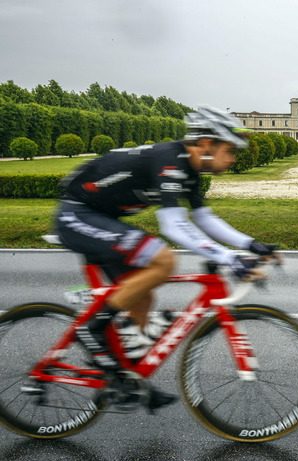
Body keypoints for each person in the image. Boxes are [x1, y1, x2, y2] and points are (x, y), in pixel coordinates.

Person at [55, 106, 279, 411]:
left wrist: (252, 245)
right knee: (163, 261)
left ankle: (125, 378)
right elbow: (173, 225)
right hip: (78, 215)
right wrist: (231, 259)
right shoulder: (170, 161)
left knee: (142, 298)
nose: (234, 157)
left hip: (102, 218)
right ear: (206, 144)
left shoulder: (191, 170)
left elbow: (204, 219)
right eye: (229, 149)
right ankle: (91, 330)